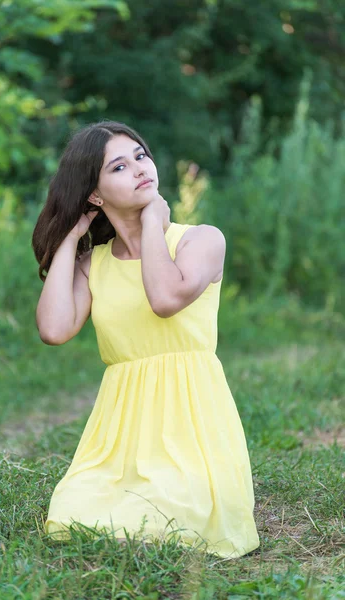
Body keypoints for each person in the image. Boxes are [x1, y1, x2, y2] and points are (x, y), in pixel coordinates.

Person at [32, 120, 260, 559]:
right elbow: (54, 330)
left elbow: (164, 298)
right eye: (119, 166)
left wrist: (152, 222)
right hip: (119, 436)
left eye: (141, 156)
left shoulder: (200, 240)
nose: (139, 169)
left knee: (175, 517)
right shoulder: (93, 263)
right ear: (95, 195)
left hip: (192, 425)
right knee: (73, 511)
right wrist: (72, 239)